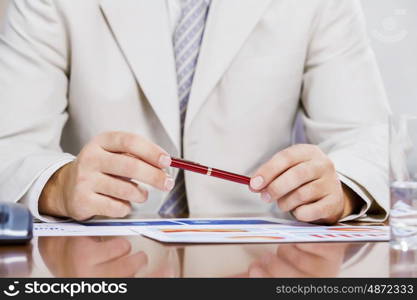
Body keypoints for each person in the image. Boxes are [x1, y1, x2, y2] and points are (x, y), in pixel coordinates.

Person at [0, 0, 389, 224]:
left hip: (261, 263)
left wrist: (340, 191)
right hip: (100, 261)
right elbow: (9, 143)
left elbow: (366, 138)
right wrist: (57, 186)